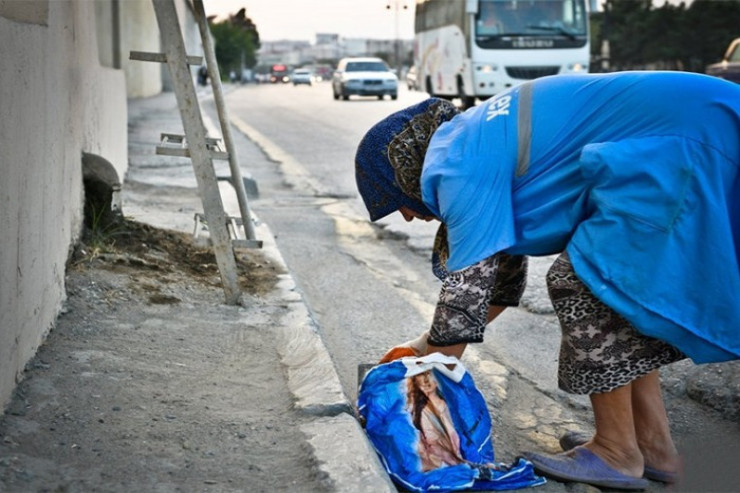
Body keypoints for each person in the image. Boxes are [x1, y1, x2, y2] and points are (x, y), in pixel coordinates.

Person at [354, 71, 740, 491]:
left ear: (403, 167)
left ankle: (616, 451)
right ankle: (652, 447)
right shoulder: (471, 142)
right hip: (704, 120)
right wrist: (416, 349)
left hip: (693, 134)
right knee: (623, 297)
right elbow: (495, 289)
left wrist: (417, 388)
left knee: (589, 283)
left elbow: (464, 304)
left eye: (396, 202)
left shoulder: (457, 164)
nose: (408, 216)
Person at [407, 371, 464, 471]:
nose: (425, 383)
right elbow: (430, 436)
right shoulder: (424, 410)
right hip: (439, 447)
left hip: (458, 442)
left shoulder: (448, 402)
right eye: (422, 384)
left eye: (429, 380)